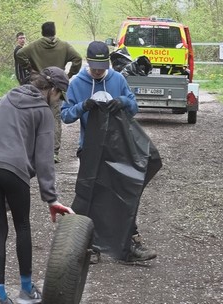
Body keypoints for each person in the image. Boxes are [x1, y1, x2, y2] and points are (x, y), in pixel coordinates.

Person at [0, 67, 75, 304]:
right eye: (59, 96)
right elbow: (44, 159)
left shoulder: (7, 97)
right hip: (14, 171)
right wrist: (51, 198)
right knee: (22, 226)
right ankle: (26, 290)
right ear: (51, 90)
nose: (59, 102)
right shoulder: (43, 112)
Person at [61, 41, 157, 263]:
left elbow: (134, 108)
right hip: (90, 148)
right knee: (89, 196)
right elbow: (66, 116)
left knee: (124, 194)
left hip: (118, 147)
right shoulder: (77, 83)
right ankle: (84, 246)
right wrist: (83, 106)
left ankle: (129, 246)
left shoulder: (117, 79)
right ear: (88, 62)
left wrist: (122, 101)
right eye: (94, 67)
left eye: (102, 67)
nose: (98, 71)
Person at [16, 21, 83, 164]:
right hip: (56, 88)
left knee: (34, 116)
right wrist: (69, 74)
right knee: (54, 119)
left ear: (42, 32)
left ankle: (33, 150)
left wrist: (30, 69)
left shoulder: (34, 46)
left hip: (38, 86)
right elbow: (77, 58)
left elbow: (20, 54)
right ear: (54, 31)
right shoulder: (64, 46)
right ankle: (53, 152)